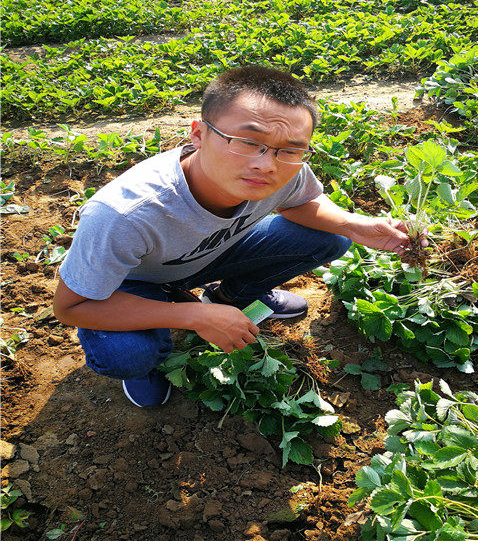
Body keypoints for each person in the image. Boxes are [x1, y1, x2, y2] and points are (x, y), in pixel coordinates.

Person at [53, 66, 422, 409]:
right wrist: (193, 315)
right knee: (127, 354)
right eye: (246, 142)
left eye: (290, 149)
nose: (266, 164)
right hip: (131, 282)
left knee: (332, 237)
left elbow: (303, 202)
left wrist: (354, 225)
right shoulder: (124, 215)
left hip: (206, 256)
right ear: (198, 134)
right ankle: (151, 358)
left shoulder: (284, 166)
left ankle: (230, 298)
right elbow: (70, 307)